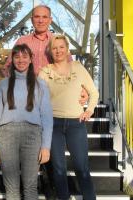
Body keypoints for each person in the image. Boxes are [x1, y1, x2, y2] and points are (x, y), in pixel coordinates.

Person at [39, 34, 99, 200]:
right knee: (58, 168)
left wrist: (89, 110)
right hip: (53, 125)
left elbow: (93, 92)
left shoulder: (78, 68)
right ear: (50, 51)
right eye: (54, 48)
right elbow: (38, 98)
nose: (58, 51)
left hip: (76, 123)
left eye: (61, 47)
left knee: (82, 167)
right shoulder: (45, 72)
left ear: (67, 49)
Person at [0, 44, 53, 200]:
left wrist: (46, 147)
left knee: (30, 186)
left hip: (33, 136)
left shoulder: (40, 84)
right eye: (17, 57)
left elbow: (47, 117)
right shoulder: (3, 84)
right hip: (6, 135)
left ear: (31, 59)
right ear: (12, 60)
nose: (21, 60)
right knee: (11, 188)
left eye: (25, 56)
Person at [3, 5, 88, 105]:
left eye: (44, 17)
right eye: (37, 17)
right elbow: (7, 67)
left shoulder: (58, 42)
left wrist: (83, 88)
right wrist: (16, 85)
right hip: (26, 98)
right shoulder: (22, 41)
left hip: (52, 98)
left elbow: (71, 68)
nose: (40, 21)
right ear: (31, 20)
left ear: (50, 20)